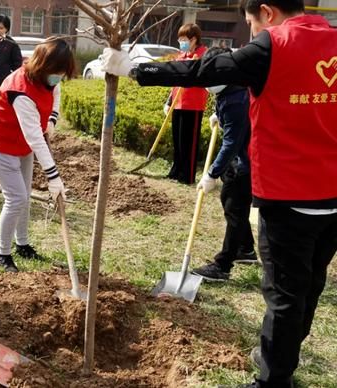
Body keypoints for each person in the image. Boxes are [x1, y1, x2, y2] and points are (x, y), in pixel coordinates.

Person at [131, 1, 337, 387]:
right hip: (332, 195)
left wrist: (137, 70)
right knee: (310, 284)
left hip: (289, 195)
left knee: (285, 296)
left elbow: (203, 69)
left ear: (267, 12)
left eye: (251, 23)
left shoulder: (274, 45)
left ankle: (274, 380)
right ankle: (282, 353)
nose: (253, 31)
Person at [0, 37, 74, 272]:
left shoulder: (49, 78)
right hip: (2, 144)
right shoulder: (20, 89)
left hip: (23, 147)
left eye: (61, 73)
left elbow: (56, 92)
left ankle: (22, 244)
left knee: (25, 196)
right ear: (43, 66)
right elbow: (34, 136)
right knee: (16, 198)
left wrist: (52, 119)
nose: (59, 78)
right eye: (57, 72)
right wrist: (53, 177)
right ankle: (3, 253)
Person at [191, 47, 258, 282]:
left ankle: (223, 265)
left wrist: (211, 173)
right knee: (231, 203)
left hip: (246, 163)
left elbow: (231, 143)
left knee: (235, 210)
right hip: (243, 157)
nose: (208, 83)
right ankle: (246, 249)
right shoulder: (234, 86)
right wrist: (219, 114)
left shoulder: (237, 99)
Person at [164, 23, 208, 184]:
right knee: (178, 140)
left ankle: (187, 175)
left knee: (189, 141)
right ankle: (176, 170)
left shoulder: (203, 55)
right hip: (178, 103)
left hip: (194, 104)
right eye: (179, 39)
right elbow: (175, 81)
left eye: (183, 39)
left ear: (194, 39)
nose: (181, 43)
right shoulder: (181, 56)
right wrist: (169, 101)